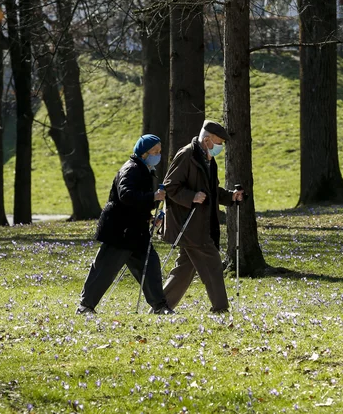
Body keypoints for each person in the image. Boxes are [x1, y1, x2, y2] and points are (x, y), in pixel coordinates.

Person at [77, 134, 173, 314]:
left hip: (137, 231)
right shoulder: (131, 169)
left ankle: (160, 306)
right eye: (155, 151)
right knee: (104, 270)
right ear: (144, 153)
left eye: (159, 151)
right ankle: (85, 306)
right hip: (120, 231)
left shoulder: (145, 169)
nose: (158, 155)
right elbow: (126, 196)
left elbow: (138, 203)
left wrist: (151, 218)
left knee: (151, 266)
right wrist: (152, 197)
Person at [161, 120, 244, 313]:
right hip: (189, 223)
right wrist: (192, 197)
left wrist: (231, 196)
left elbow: (212, 191)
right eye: (218, 143)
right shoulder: (187, 155)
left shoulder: (208, 159)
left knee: (185, 268)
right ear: (206, 140)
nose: (220, 147)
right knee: (213, 263)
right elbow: (170, 186)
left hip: (201, 222)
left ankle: (160, 306)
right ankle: (220, 308)